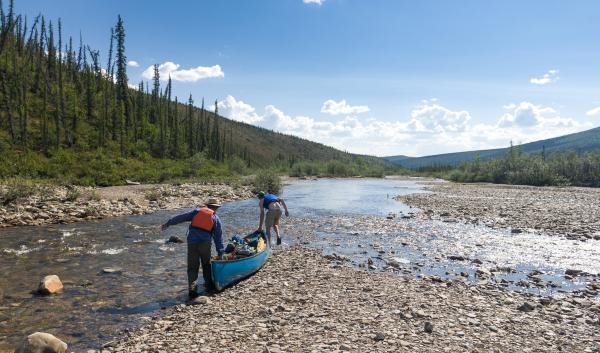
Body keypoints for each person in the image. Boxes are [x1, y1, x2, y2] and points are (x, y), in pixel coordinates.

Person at [161, 198, 224, 298]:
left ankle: (192, 289)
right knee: (206, 264)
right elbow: (218, 237)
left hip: (192, 243)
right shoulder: (215, 218)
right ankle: (208, 285)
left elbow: (181, 217)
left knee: (192, 266)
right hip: (205, 243)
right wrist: (220, 252)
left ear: (207, 205)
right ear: (216, 208)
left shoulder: (196, 212)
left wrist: (168, 223)